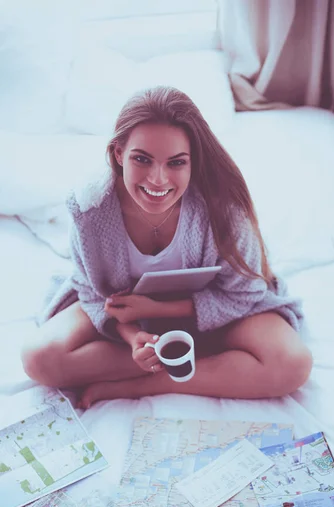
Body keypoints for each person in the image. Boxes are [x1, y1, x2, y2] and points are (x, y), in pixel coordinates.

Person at [21, 86, 312, 409]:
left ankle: (146, 382)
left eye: (176, 162)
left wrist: (154, 310)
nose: (158, 180)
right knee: (38, 358)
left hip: (219, 312)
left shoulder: (223, 207)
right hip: (125, 318)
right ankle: (193, 360)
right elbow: (91, 291)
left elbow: (243, 293)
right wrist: (133, 337)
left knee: (293, 363)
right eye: (142, 159)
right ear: (119, 153)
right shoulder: (91, 209)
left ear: (193, 161)